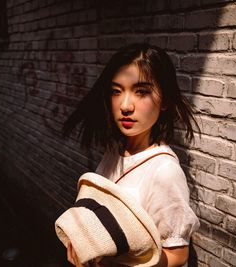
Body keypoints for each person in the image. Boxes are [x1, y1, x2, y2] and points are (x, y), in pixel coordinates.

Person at [62, 43, 200, 267]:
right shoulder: (113, 153)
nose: (125, 105)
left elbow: (177, 255)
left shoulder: (164, 171)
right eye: (116, 91)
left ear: (164, 100)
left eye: (142, 92)